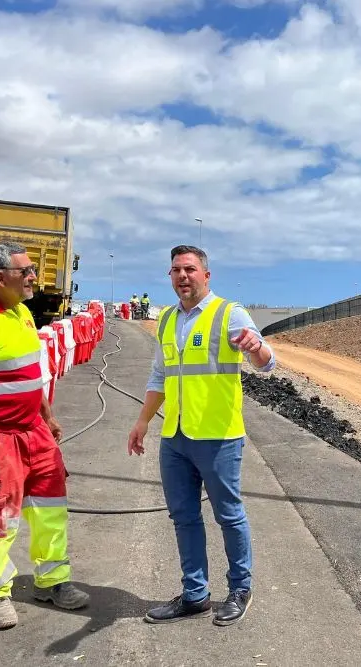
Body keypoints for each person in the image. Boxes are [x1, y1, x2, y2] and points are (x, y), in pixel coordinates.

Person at [127, 244, 276, 627]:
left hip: (218, 437)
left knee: (229, 515)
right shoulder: (165, 320)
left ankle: (240, 589)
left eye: (189, 269)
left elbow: (267, 363)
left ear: (205, 275)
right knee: (184, 517)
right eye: (175, 270)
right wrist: (143, 421)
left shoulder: (229, 313)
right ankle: (195, 595)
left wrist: (256, 347)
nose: (182, 276)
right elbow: (160, 375)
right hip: (175, 436)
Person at [0, 241, 89, 630]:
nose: (33, 276)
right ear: (0, 277)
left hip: (34, 432)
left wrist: (47, 415)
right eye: (25, 271)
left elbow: (32, 371)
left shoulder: (22, 312)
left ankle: (52, 581)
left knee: (51, 508)